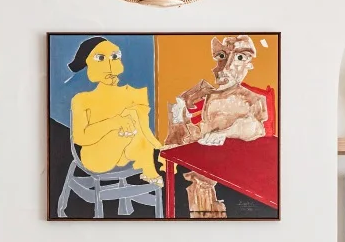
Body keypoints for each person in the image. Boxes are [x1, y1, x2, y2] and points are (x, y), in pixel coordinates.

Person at [162, 34, 270, 217]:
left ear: (249, 64)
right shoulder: (210, 96)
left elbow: (255, 128)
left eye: (240, 57)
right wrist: (179, 119)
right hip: (207, 165)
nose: (226, 66)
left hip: (239, 170)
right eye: (221, 56)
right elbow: (203, 133)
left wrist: (225, 133)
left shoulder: (254, 99)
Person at [66, 37, 162, 183]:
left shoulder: (130, 93)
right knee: (132, 116)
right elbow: (80, 138)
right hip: (97, 157)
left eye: (115, 56)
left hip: (129, 154)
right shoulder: (81, 99)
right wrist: (114, 123)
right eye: (100, 58)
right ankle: (149, 170)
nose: (110, 65)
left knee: (134, 114)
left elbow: (144, 128)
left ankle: (149, 166)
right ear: (88, 63)